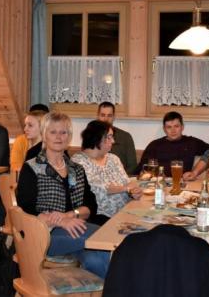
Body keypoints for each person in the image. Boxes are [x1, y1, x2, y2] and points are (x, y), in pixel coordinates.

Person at [16, 112, 109, 279]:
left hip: (75, 230)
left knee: (96, 257)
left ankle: (100, 289)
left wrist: (69, 216)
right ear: (44, 135)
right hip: (44, 234)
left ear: (69, 136)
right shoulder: (32, 168)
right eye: (53, 132)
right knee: (102, 238)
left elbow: (91, 206)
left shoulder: (76, 169)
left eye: (63, 132)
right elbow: (27, 209)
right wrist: (60, 221)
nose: (59, 137)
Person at [71, 120, 140, 225]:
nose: (113, 141)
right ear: (97, 138)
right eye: (109, 137)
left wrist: (133, 192)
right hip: (101, 216)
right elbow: (100, 189)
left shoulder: (113, 158)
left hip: (126, 210)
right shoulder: (78, 161)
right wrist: (126, 188)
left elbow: (127, 182)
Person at [136, 111, 209, 176]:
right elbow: (142, 169)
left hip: (182, 182)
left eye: (176, 126)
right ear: (164, 129)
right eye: (169, 127)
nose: (173, 130)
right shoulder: (154, 145)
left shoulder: (192, 142)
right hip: (159, 182)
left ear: (182, 127)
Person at [95, 102, 137, 174]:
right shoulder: (91, 136)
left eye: (109, 115)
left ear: (114, 117)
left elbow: (132, 166)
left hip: (121, 177)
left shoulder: (125, 137)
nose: (106, 119)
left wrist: (119, 178)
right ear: (98, 116)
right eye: (103, 115)